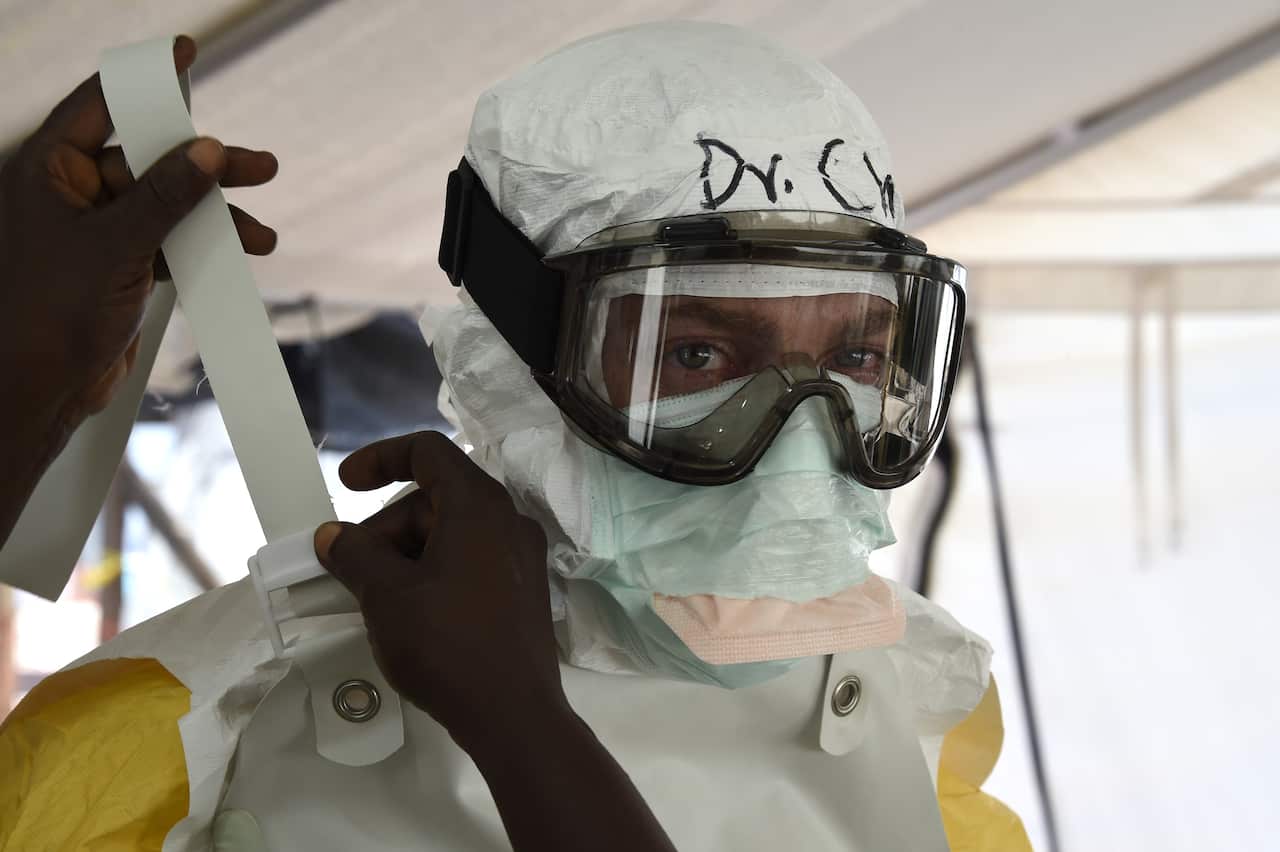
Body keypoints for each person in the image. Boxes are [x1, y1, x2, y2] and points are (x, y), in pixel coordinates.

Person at [0, 23, 1031, 852]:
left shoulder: (920, 708)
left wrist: (515, 720)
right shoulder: (211, 718)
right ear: (512, 359)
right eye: (698, 359)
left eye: (856, 360)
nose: (800, 446)